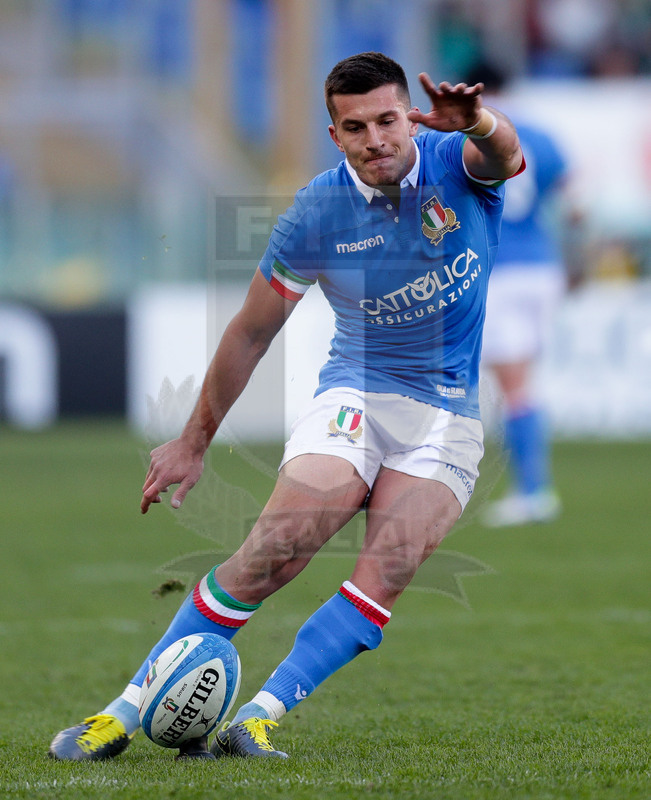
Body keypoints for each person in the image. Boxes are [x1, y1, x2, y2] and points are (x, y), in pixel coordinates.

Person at [49, 51, 523, 762]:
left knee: (388, 566)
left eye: (388, 120)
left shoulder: (457, 164)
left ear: (410, 118)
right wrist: (192, 441)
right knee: (275, 547)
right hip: (356, 395)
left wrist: (480, 121)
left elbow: (502, 151)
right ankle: (119, 713)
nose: (376, 140)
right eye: (355, 127)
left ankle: (257, 719)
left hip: (447, 415)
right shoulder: (317, 212)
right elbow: (252, 329)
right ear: (334, 136)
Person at [465, 62, 574, 528]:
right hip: (542, 266)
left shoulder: (471, 135)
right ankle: (528, 487)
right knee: (517, 381)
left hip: (500, 268)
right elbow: (572, 202)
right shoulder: (540, 133)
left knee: (509, 386)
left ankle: (533, 491)